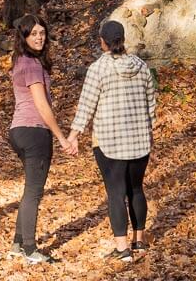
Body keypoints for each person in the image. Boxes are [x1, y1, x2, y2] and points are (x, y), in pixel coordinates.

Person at [67, 20, 157, 262]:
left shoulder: (98, 69)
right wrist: (148, 130)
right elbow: (151, 106)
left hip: (110, 143)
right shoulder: (142, 66)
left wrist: (73, 135)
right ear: (123, 40)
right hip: (139, 143)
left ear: (103, 42)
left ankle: (122, 249)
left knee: (116, 193)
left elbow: (86, 106)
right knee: (136, 189)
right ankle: (139, 241)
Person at [7, 13, 76, 264]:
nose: (39, 37)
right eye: (33, 33)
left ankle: (17, 242)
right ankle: (29, 248)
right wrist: (61, 137)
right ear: (24, 37)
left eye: (42, 33)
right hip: (34, 131)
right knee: (34, 192)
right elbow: (42, 105)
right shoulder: (32, 65)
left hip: (19, 130)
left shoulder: (22, 61)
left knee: (29, 191)